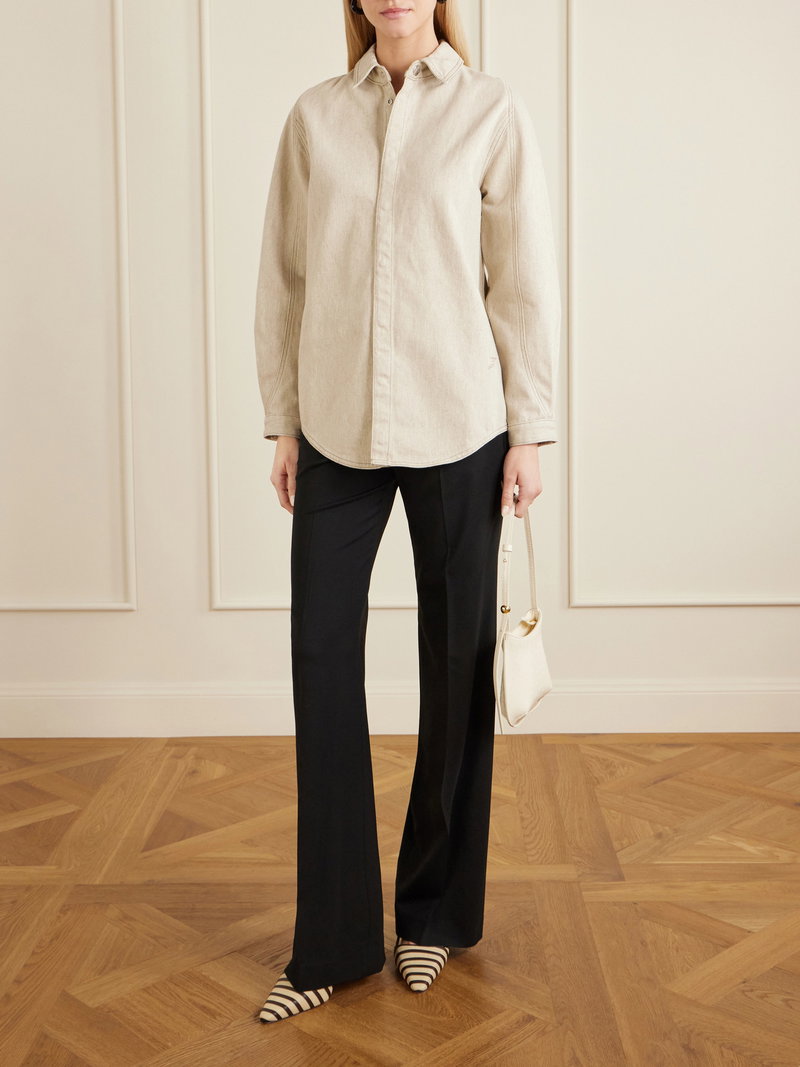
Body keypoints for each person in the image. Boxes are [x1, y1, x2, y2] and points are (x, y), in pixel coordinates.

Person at [254, 0, 561, 1023]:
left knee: (456, 668)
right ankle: (334, 942)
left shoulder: (490, 109)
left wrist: (528, 430)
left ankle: (432, 915)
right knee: (319, 661)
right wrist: (283, 420)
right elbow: (283, 277)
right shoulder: (313, 118)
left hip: (460, 421)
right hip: (335, 423)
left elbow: (522, 281)